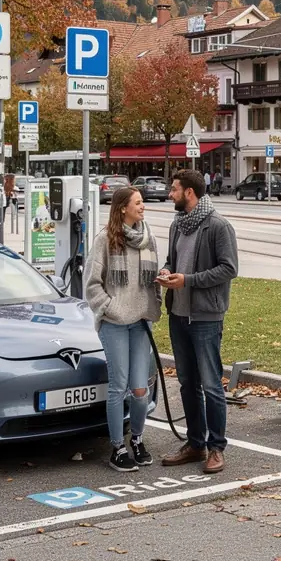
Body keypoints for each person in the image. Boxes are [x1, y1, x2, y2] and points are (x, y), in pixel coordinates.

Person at [158, 169, 238, 475]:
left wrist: (188, 280)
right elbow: (171, 260)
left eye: (174, 189)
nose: (170, 193)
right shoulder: (178, 224)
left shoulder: (218, 226)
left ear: (189, 193)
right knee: (188, 384)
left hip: (205, 318)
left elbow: (229, 269)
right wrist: (167, 273)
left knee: (211, 385)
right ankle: (195, 444)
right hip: (178, 316)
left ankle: (216, 447)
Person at [85, 186, 161, 473]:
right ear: (122, 208)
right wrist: (111, 308)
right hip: (114, 324)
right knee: (118, 387)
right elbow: (92, 285)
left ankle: (137, 439)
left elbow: (151, 277)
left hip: (141, 322)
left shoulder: (148, 237)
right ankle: (117, 446)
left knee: (140, 389)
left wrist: (158, 288)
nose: (143, 207)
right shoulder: (105, 239)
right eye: (138, 203)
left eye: (142, 202)